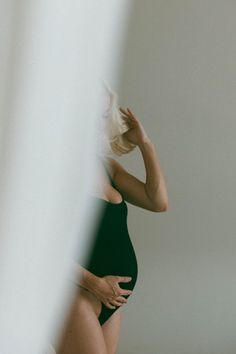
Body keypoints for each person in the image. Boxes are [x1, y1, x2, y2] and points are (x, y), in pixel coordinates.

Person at [56, 82, 169, 354]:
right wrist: (93, 283)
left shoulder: (105, 166)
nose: (98, 123)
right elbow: (38, 246)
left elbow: (158, 202)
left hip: (110, 300)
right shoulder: (56, 170)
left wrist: (145, 144)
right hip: (77, 296)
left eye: (105, 115)